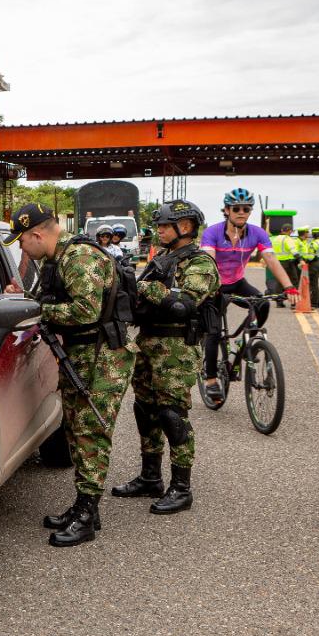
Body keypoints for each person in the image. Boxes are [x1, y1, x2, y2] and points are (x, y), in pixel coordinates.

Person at [4, 202, 135, 547]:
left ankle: (88, 515)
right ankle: (82, 506)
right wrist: (24, 298)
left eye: (22, 241)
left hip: (103, 356)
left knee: (91, 432)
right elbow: (54, 297)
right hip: (81, 354)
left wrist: (36, 308)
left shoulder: (78, 257)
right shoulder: (56, 260)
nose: (21, 248)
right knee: (77, 430)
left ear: (37, 234)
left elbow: (85, 311)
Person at [113, 200, 218, 514]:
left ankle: (182, 487)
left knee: (172, 415)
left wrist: (144, 288)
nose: (158, 230)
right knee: (144, 410)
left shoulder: (200, 263)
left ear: (184, 227)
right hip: (148, 342)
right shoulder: (162, 257)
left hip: (176, 349)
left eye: (164, 225)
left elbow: (184, 304)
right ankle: (150, 477)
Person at [200, 189, 297, 402]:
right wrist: (212, 287)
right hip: (215, 285)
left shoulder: (257, 233)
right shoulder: (213, 233)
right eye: (236, 209)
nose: (241, 212)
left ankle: (248, 341)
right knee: (214, 331)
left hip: (237, 282)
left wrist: (289, 287)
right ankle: (211, 379)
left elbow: (271, 259)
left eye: (246, 209)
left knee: (262, 304)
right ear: (227, 210)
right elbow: (209, 262)